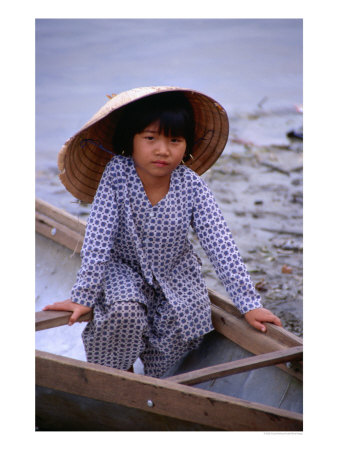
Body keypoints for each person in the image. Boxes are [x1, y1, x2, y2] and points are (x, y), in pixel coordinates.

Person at [44, 86, 282, 378]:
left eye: (175, 140)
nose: (162, 150)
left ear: (186, 145)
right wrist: (82, 296)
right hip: (123, 269)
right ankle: (118, 372)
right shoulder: (116, 175)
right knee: (124, 311)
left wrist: (249, 304)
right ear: (130, 140)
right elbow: (98, 240)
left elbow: (221, 245)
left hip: (175, 271)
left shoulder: (191, 185)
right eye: (150, 138)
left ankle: (156, 380)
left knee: (189, 314)